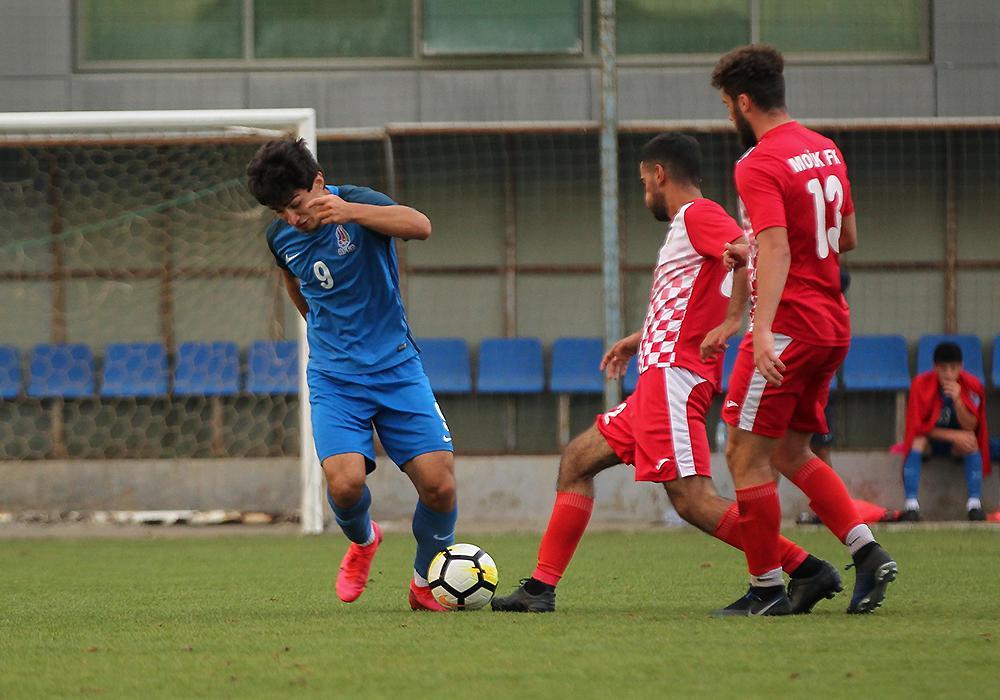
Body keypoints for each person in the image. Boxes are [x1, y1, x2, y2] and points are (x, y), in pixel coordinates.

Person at [491, 133, 839, 614]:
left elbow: (746, 251)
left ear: (658, 174)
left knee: (692, 499)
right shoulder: (689, 225)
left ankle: (804, 567)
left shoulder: (698, 213)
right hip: (656, 376)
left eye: (643, 182)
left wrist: (734, 321)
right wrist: (641, 338)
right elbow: (694, 296)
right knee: (577, 461)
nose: (645, 193)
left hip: (673, 379)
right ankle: (539, 589)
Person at [711, 44, 897, 616]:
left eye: (727, 104)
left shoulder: (757, 162)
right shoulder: (825, 148)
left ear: (744, 102)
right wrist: (762, 246)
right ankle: (867, 553)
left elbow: (778, 246)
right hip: (831, 323)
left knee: (743, 453)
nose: (728, 114)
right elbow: (846, 238)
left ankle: (767, 589)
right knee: (792, 450)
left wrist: (762, 329)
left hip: (788, 327)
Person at [246, 138, 457, 612]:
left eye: (296, 204)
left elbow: (420, 226)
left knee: (440, 485)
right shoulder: (280, 238)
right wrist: (323, 330)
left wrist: (352, 213)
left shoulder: (361, 203)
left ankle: (423, 583)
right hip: (335, 378)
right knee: (344, 485)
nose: (291, 219)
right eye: (280, 212)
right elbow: (295, 284)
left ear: (319, 183)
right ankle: (364, 540)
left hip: (397, 367)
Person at [900, 341, 990, 521]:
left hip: (957, 447)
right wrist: (953, 435)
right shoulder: (920, 384)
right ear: (935, 367)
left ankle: (974, 505)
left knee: (971, 441)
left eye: (953, 368)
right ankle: (911, 506)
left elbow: (972, 425)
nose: (948, 374)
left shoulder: (972, 385)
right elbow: (916, 427)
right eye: (943, 368)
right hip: (930, 443)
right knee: (917, 441)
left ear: (961, 366)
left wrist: (958, 400)